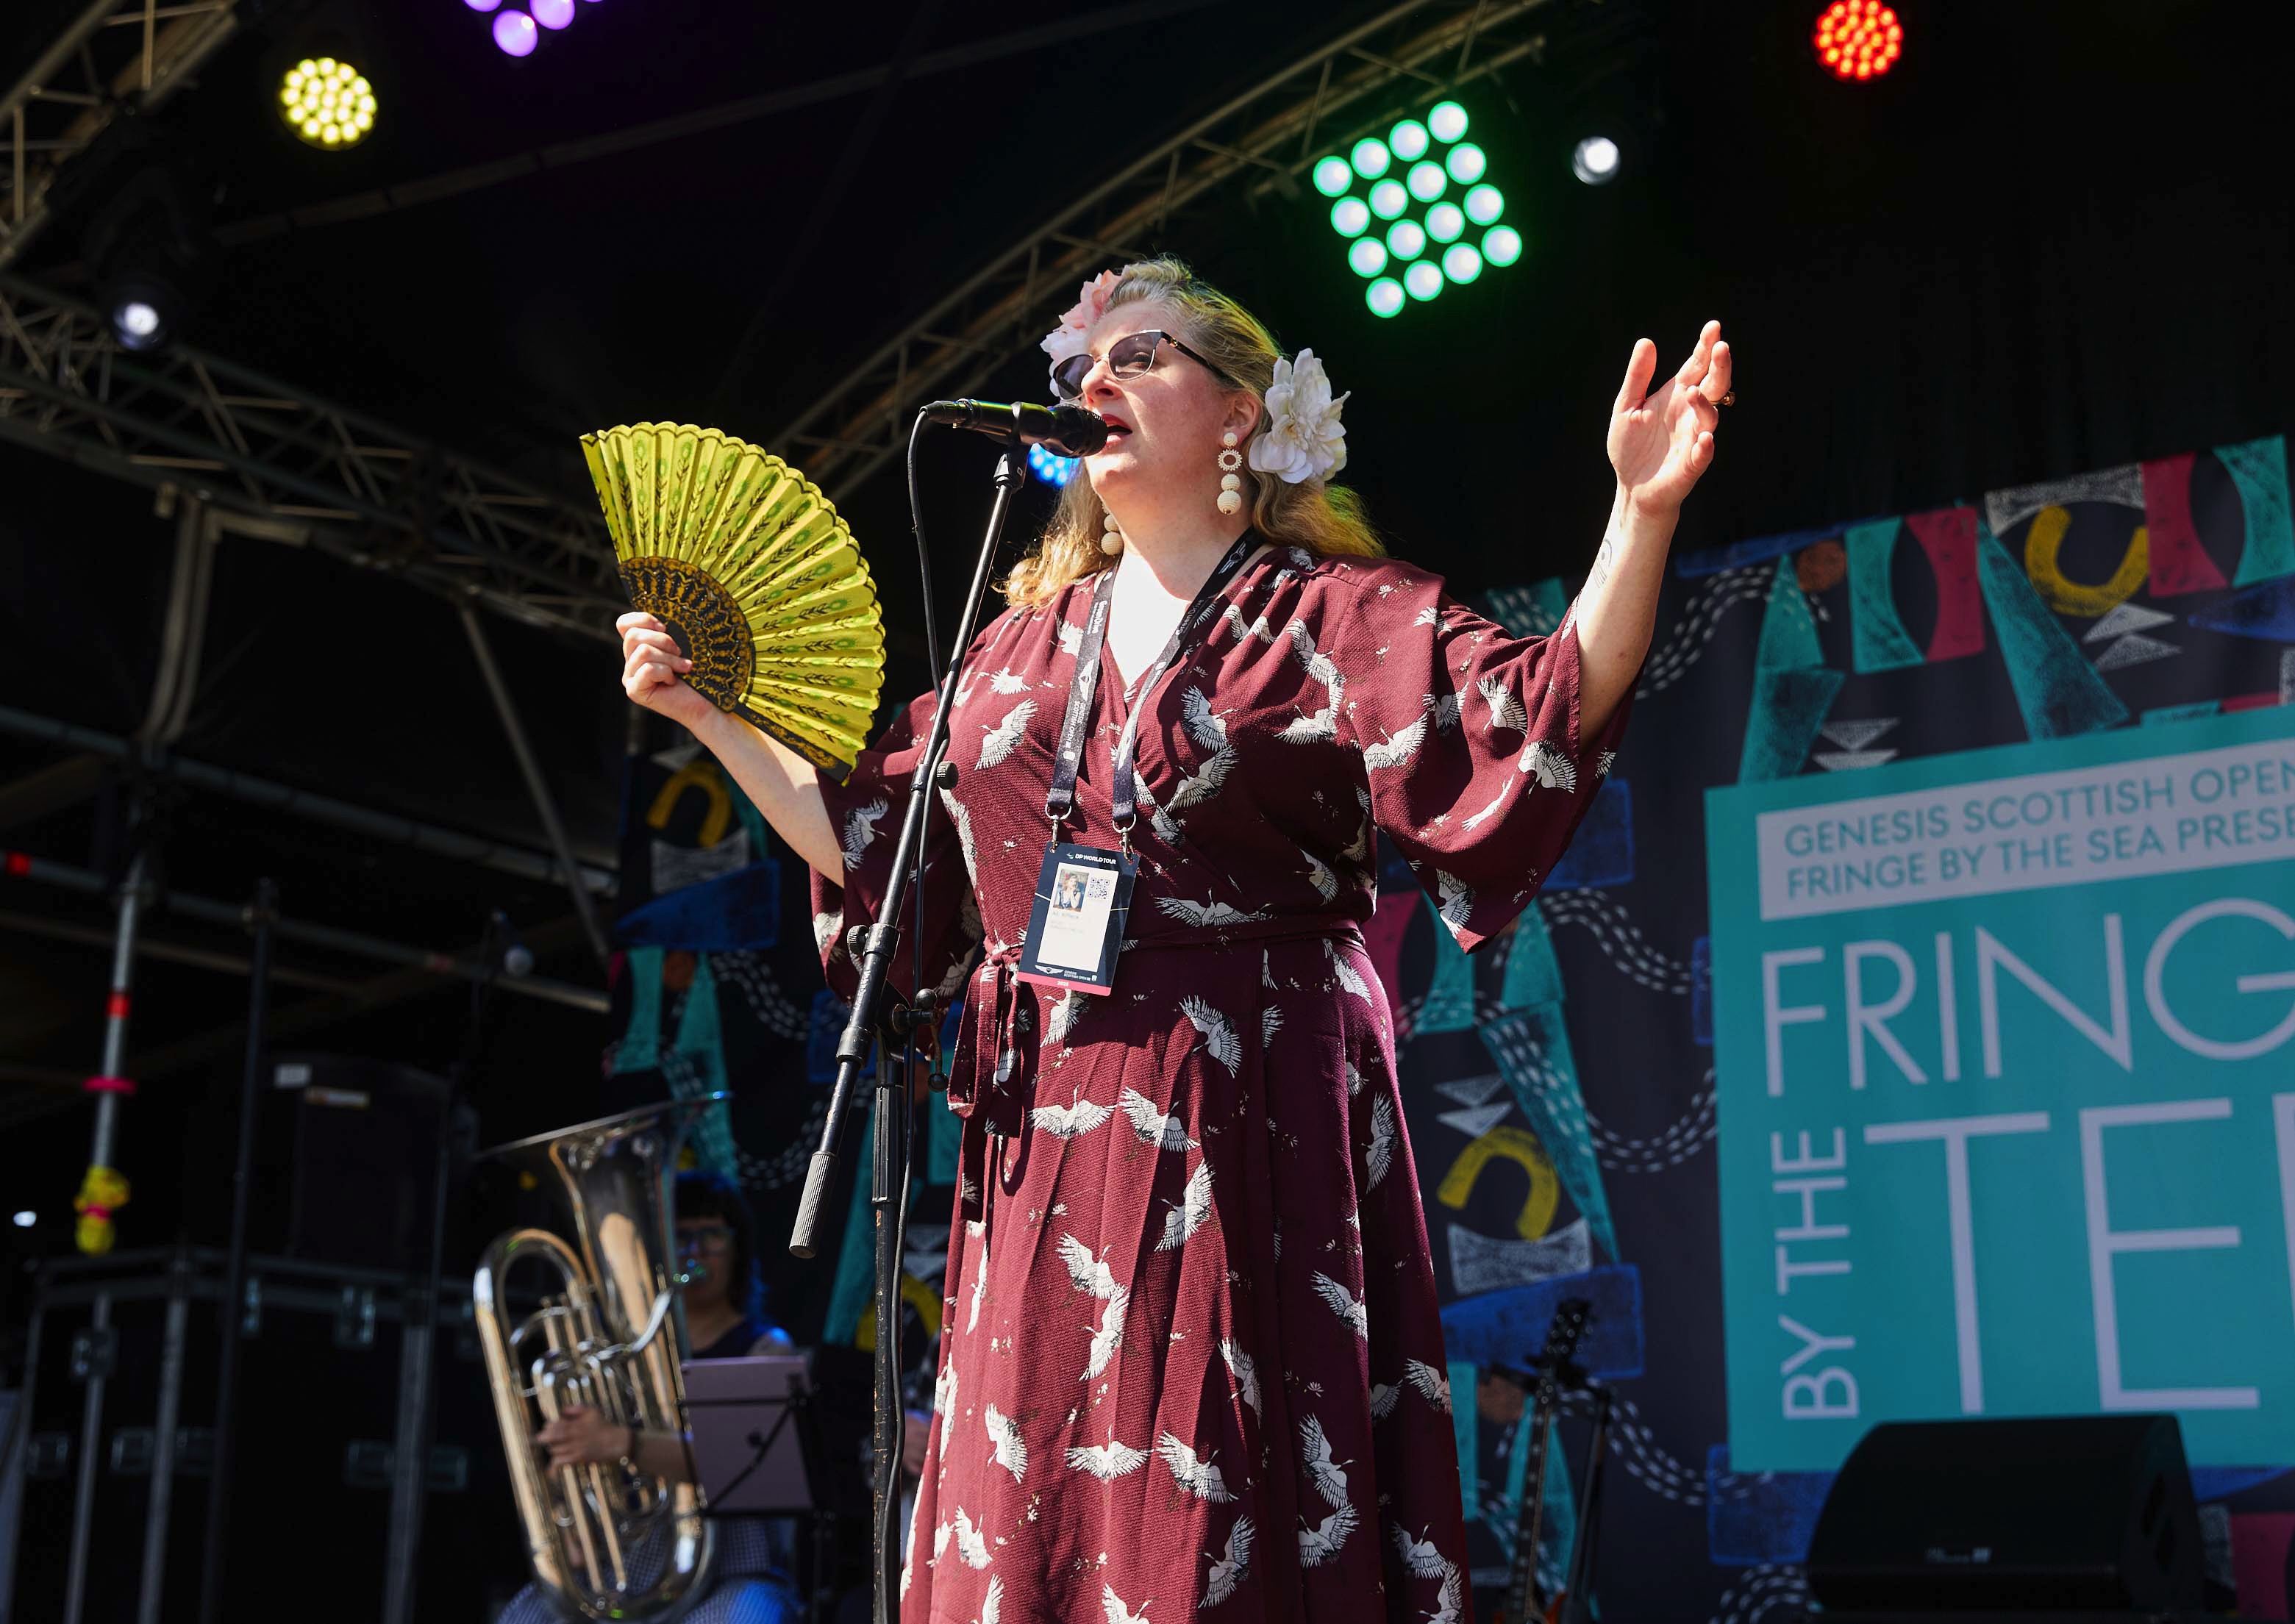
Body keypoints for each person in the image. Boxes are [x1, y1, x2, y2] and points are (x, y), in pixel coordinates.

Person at [616, 257, 1730, 1621]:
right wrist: (712, 718)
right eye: (1080, 367)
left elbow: (1538, 708)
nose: (1095, 380)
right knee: (1034, 1491)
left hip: (1248, 1093)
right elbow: (876, 843)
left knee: (1213, 1485)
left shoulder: (1331, 613)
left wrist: (1640, 509)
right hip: (1047, 1118)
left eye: (1139, 357)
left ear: (1240, 414)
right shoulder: (1011, 653)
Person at [497, 1170, 803, 1623]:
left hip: (734, 1568)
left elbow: (745, 1463)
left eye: (712, 1235)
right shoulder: (617, 1351)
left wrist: (623, 1442)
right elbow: (575, 1461)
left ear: (738, 1250)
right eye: (681, 1237)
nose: (695, 1252)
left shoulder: (765, 1348)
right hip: (623, 1562)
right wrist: (565, 1512)